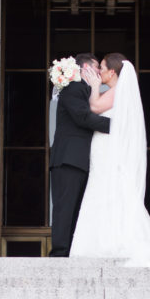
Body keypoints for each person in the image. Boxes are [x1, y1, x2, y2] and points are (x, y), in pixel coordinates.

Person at [70, 53, 150, 267]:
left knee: (106, 188)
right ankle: (102, 240)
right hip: (103, 146)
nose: (100, 72)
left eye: (103, 68)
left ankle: (108, 242)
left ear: (112, 72)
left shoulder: (118, 91)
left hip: (108, 149)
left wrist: (95, 86)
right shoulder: (118, 91)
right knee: (102, 189)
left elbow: (95, 108)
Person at [49, 53, 110, 257]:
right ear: (85, 69)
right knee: (65, 208)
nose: (100, 73)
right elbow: (84, 117)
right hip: (68, 159)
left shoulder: (85, 89)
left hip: (78, 160)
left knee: (76, 209)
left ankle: (71, 251)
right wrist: (117, 126)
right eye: (96, 68)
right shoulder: (74, 88)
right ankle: (59, 253)